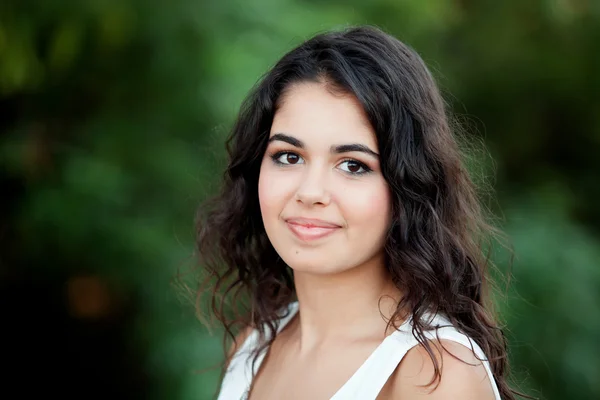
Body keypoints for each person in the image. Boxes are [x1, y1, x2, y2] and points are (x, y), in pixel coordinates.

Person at [196, 25, 518, 399]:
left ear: (407, 188)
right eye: (289, 156)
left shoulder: (435, 373)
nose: (310, 192)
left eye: (352, 165)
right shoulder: (252, 348)